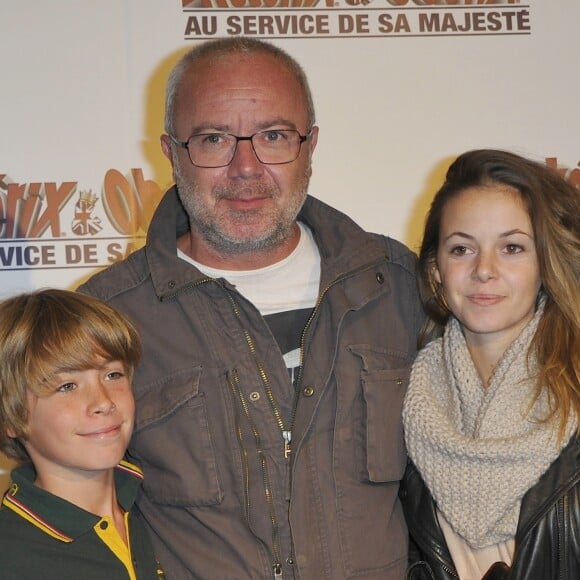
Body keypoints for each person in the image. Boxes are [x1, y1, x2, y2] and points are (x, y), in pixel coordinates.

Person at [78, 37, 424, 579]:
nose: (246, 167)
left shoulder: (399, 287)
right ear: (171, 152)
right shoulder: (106, 317)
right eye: (214, 139)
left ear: (310, 145)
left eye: (274, 136)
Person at [401, 149, 580, 579]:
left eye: (512, 247)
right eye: (461, 249)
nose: (484, 270)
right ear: (435, 269)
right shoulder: (400, 403)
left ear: (545, 262)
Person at [0, 289, 164, 580]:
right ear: (12, 417)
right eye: (67, 387)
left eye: (113, 375)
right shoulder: (11, 554)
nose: (103, 401)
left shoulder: (164, 506)